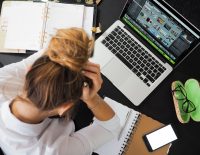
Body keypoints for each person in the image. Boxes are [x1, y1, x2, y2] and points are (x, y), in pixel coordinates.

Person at [0, 28, 120, 155]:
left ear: (29, 71)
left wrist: (70, 59)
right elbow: (110, 128)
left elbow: (49, 53)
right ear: (65, 107)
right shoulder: (53, 151)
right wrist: (92, 99)